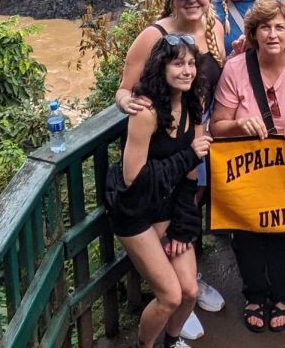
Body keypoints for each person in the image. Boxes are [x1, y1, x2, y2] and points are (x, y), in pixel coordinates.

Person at [115, 0, 227, 335]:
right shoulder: (154, 36)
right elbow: (125, 87)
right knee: (167, 210)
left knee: (192, 197)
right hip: (164, 135)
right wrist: (128, 106)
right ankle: (173, 295)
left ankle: (186, 285)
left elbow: (217, 77)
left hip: (198, 125)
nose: (193, 0)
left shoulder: (216, 28)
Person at [210, 0, 285, 334]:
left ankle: (282, 295)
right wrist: (238, 125)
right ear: (254, 32)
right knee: (246, 233)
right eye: (265, 27)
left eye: (279, 27)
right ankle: (254, 295)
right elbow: (217, 125)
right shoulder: (236, 68)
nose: (273, 34)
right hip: (246, 166)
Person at [104, 35, 212, 348]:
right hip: (133, 210)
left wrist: (182, 226)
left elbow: (190, 177)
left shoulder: (194, 103)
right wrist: (188, 155)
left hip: (167, 205)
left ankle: (172, 340)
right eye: (178, 63)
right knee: (169, 296)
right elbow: (134, 181)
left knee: (189, 291)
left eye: (191, 63)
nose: (187, 70)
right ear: (161, 68)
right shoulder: (146, 113)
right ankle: (145, 345)